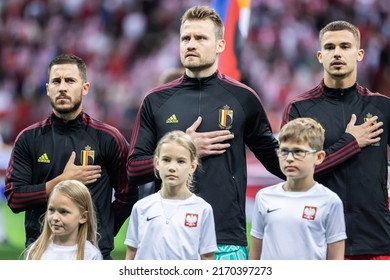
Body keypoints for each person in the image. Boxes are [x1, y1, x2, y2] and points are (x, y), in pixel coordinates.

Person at [127, 5, 284, 260]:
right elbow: (133, 169)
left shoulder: (243, 98)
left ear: (220, 45)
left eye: (200, 38)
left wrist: (326, 164)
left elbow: (277, 161)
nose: (191, 44)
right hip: (166, 238)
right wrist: (184, 149)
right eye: (185, 38)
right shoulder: (155, 100)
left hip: (225, 240)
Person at [5, 54, 138, 260]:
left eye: (70, 80)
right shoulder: (28, 139)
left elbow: (127, 195)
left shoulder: (109, 138)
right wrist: (61, 181)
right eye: (56, 81)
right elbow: (14, 197)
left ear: (85, 88)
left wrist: (102, 232)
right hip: (41, 253)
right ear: (48, 89)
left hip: (94, 253)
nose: (63, 87)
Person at [282, 21, 390, 259]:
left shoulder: (382, 107)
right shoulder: (299, 108)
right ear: (320, 56)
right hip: (317, 241)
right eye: (330, 47)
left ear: (359, 54)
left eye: (345, 46)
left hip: (375, 240)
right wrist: (350, 142)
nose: (337, 53)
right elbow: (294, 174)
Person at [249, 118, 346, 260]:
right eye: (284, 151)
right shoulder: (264, 197)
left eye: (298, 152)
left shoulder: (330, 201)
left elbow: (336, 260)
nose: (289, 158)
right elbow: (254, 257)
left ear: (319, 157)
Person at [125, 130, 217, 260]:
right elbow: (131, 252)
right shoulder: (141, 207)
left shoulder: (203, 209)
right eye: (166, 160)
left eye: (180, 161)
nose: (172, 167)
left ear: (192, 166)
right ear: (157, 163)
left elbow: (207, 257)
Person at [25, 180, 102, 260]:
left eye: (63, 212)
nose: (55, 218)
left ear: (83, 217)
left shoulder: (91, 254)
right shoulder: (36, 250)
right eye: (51, 210)